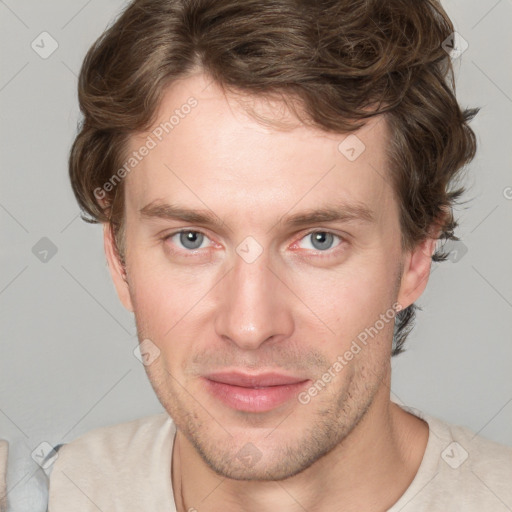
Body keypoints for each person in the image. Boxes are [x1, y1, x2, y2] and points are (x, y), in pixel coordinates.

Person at [48, 0, 512, 510]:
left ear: (416, 255)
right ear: (119, 258)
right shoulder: (51, 491)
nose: (250, 326)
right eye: (191, 239)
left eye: (319, 239)